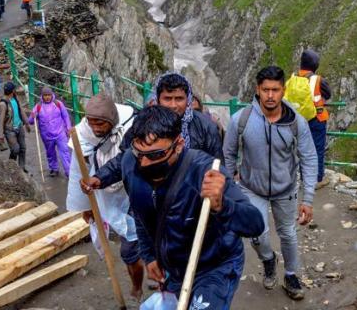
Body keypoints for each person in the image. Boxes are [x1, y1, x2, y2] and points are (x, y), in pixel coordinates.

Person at [81, 105, 264, 309]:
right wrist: (150, 257)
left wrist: (222, 205)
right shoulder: (130, 164)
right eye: (139, 153)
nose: (145, 163)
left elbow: (255, 224)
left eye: (156, 154)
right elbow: (142, 217)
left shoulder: (204, 172)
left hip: (214, 267)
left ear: (179, 144)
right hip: (174, 268)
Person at [222, 66, 318, 300]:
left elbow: (309, 157)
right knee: (257, 233)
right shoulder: (241, 120)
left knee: (288, 234)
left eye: (275, 90)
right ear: (258, 90)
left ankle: (292, 275)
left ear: (283, 90)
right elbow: (228, 153)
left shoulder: (296, 122)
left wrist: (308, 199)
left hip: (286, 189)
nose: (271, 96)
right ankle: (268, 259)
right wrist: (231, 186)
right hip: (251, 188)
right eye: (266, 90)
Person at [66, 93, 145, 301]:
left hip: (135, 190)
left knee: (147, 240)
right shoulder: (83, 134)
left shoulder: (132, 128)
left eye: (100, 123)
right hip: (102, 186)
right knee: (129, 251)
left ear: (111, 120)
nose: (96, 128)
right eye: (92, 123)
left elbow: (127, 162)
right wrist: (85, 206)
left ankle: (150, 276)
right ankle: (137, 285)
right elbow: (78, 172)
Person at [122, 73, 223, 159]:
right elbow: (125, 157)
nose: (173, 105)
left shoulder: (206, 127)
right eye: (167, 99)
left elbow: (217, 164)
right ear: (158, 99)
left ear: (188, 100)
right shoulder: (144, 122)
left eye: (179, 99)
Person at [297, 49, 332, 188]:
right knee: (317, 149)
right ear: (315, 65)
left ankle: (304, 177)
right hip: (316, 119)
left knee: (303, 149)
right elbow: (327, 94)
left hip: (299, 119)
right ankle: (317, 179)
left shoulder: (294, 77)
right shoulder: (317, 79)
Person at [29, 86, 73, 177]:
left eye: (49, 95)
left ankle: (69, 171)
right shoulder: (38, 107)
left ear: (52, 95)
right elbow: (30, 121)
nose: (47, 97)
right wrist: (33, 116)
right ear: (42, 96)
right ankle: (54, 169)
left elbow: (65, 116)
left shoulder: (58, 104)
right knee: (50, 153)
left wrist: (68, 128)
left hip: (60, 133)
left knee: (65, 152)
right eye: (45, 95)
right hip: (47, 135)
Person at [0, 82, 30, 172]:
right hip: (10, 130)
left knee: (23, 148)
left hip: (19, 127)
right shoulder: (3, 105)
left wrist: (26, 123)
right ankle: (11, 166)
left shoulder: (15, 99)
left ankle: (22, 168)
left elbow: (21, 111)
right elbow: (0, 120)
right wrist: (0, 136)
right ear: (12, 91)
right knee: (15, 149)